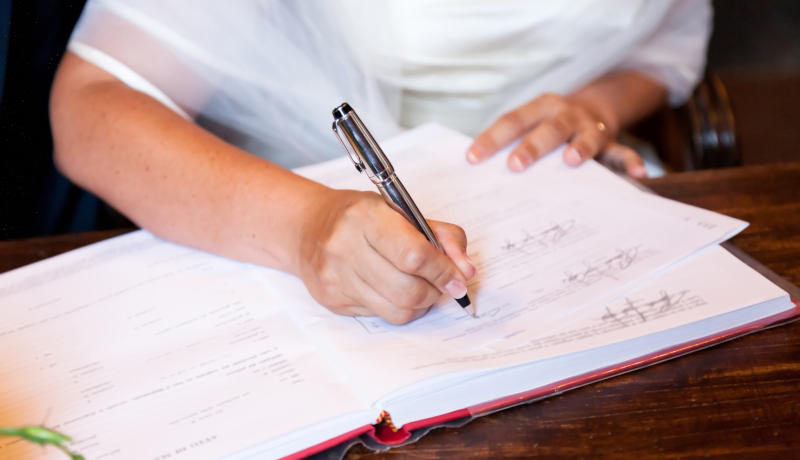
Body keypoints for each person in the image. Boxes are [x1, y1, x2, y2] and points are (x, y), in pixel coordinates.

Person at [50, 0, 711, 324]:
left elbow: (668, 39)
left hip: (569, 208)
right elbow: (90, 109)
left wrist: (592, 108)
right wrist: (306, 230)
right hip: (287, 215)